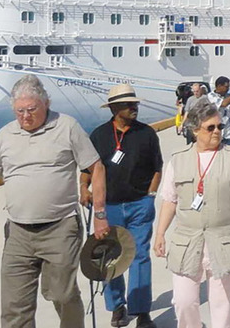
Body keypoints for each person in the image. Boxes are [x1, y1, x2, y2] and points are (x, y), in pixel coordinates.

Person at [0, 75, 110, 328]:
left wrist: (99, 215)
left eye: (32, 109)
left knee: (61, 294)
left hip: (60, 227)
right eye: (20, 111)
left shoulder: (67, 126)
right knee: (14, 306)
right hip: (18, 232)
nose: (25, 117)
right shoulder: (5, 134)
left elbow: (96, 168)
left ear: (46, 103)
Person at [154, 101, 230, 328]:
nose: (217, 131)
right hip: (187, 241)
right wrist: (160, 234)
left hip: (224, 239)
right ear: (195, 130)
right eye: (211, 127)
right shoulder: (178, 160)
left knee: (222, 303)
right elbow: (170, 200)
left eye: (220, 126)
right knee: (184, 301)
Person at [83, 84, 162, 328]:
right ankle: (117, 307)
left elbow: (157, 168)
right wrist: (83, 190)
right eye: (129, 104)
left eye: (135, 103)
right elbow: (87, 170)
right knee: (110, 257)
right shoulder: (99, 135)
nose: (134, 107)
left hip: (140, 204)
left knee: (140, 255)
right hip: (109, 207)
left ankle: (141, 311)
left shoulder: (147, 134)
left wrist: (150, 196)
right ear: (115, 108)